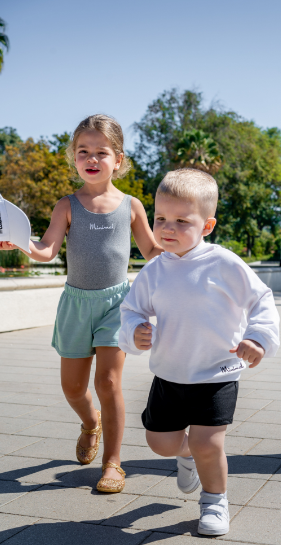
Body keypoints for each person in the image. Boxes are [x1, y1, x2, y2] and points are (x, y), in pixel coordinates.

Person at [0, 114, 163, 493]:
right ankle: (91, 423)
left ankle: (113, 463)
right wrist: (20, 243)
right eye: (82, 151)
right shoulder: (67, 205)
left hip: (117, 305)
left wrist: (182, 249)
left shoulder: (132, 206)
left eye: (101, 152)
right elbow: (46, 249)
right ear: (73, 158)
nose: (91, 158)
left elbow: (153, 250)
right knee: (73, 388)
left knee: (108, 383)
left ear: (118, 160)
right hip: (75, 304)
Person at [118, 168, 280, 535]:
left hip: (217, 372)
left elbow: (262, 300)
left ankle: (214, 500)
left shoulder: (224, 263)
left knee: (209, 443)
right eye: (160, 218)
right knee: (160, 443)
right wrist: (134, 331)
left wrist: (258, 339)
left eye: (181, 221)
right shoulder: (155, 269)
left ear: (207, 226)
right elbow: (132, 310)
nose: (167, 228)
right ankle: (186, 455)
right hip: (170, 374)